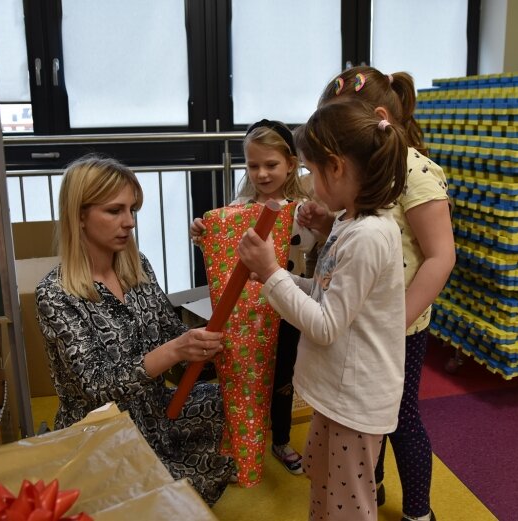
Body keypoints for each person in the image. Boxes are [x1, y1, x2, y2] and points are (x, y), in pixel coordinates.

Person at [238, 98, 409, 521]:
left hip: (355, 402)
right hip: (338, 396)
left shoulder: (368, 235)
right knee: (326, 489)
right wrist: (278, 277)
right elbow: (323, 292)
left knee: (349, 506)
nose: (310, 184)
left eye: (311, 172)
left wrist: (274, 272)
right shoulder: (351, 224)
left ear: (335, 168)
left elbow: (326, 324)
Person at [300, 66, 456, 521]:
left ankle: (420, 512)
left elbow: (439, 256)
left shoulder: (418, 173)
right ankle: (370, 487)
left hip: (397, 325)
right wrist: (328, 223)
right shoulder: (362, 178)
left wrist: (397, 323)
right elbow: (368, 240)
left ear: (378, 119)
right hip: (361, 320)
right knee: (364, 422)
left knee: (400, 421)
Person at [35, 154, 235, 505]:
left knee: (227, 402)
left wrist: (208, 343)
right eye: (115, 211)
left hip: (157, 411)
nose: (129, 223)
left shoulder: (138, 268)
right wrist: (174, 350)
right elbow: (96, 386)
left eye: (133, 211)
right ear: (79, 215)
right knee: (166, 498)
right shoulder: (54, 294)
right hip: (103, 432)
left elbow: (171, 333)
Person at [190, 119, 317, 475]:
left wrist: (311, 221)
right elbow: (225, 251)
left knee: (283, 377)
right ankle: (243, 440)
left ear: (291, 163)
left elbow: (310, 246)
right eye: (253, 165)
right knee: (244, 378)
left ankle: (280, 439)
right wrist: (202, 232)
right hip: (248, 315)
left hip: (289, 304)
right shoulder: (238, 206)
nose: (261, 173)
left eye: (271, 164)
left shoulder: (301, 207)